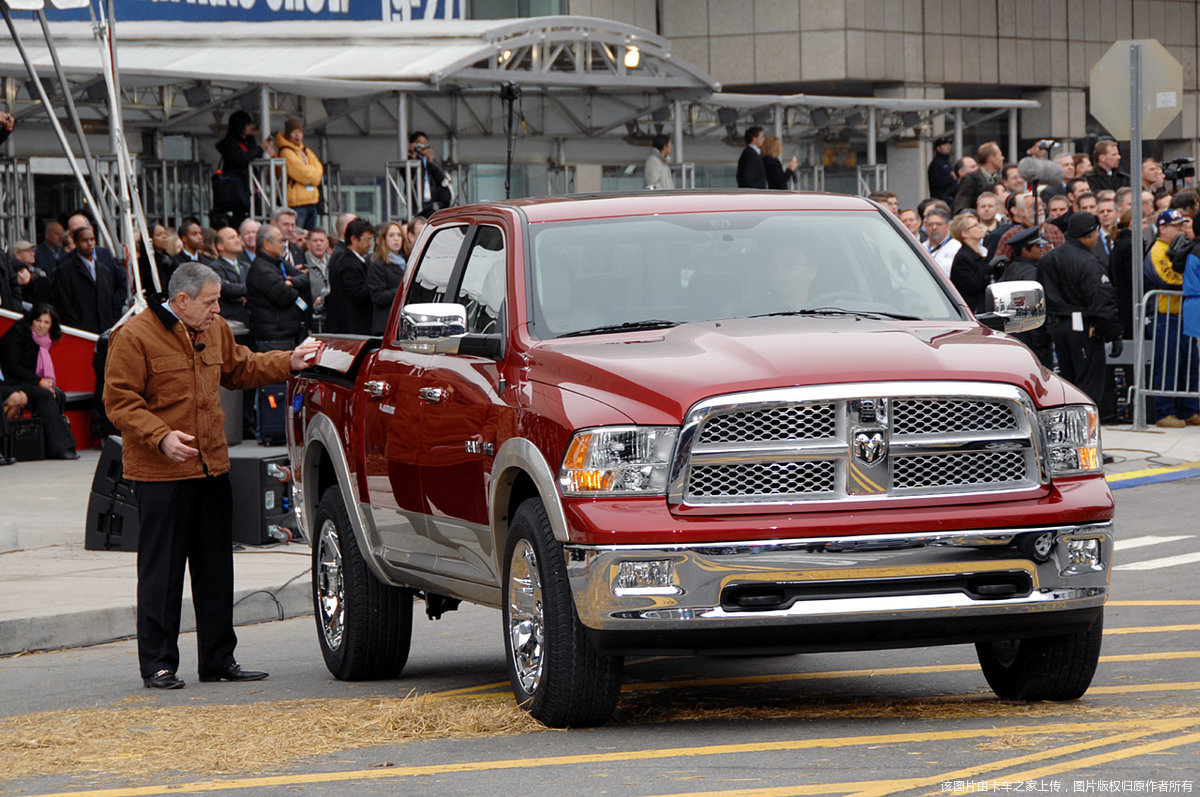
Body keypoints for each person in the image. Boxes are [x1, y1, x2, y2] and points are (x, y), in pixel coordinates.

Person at [104, 262, 320, 690]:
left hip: (211, 468)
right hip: (161, 473)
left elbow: (241, 369)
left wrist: (289, 362)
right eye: (210, 301)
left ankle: (218, 659)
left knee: (216, 570)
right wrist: (161, 437)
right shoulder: (134, 336)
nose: (217, 309)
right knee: (161, 573)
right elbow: (119, 402)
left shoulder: (214, 330)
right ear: (181, 300)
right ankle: (159, 664)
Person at [1038, 212, 1122, 404]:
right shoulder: (1089, 262)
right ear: (1089, 234)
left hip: (1059, 326)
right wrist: (1114, 333)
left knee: (1068, 383)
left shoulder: (1049, 259)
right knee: (1088, 386)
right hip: (1083, 327)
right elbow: (1101, 301)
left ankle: (1070, 430)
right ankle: (1086, 431)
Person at [0, 303, 79, 459]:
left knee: (46, 396)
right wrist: (39, 382)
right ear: (32, 320)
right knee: (37, 392)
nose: (42, 326)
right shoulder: (17, 333)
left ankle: (59, 448)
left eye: (46, 322)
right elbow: (12, 366)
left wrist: (43, 383)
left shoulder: (45, 342)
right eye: (39, 321)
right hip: (9, 381)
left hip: (24, 382)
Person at [1143, 208, 1199, 427]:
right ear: (1162, 228)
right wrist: (1190, 281)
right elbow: (1165, 278)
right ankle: (1164, 411)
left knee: (1189, 365)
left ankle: (1187, 409)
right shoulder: (1158, 250)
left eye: (1182, 225)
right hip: (1165, 317)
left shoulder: (1182, 248)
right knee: (1167, 366)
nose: (1180, 230)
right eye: (1176, 226)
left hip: (1183, 315)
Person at [245, 224, 311, 351]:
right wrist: (293, 286)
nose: (284, 245)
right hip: (272, 338)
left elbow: (304, 278)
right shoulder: (261, 269)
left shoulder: (278, 262)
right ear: (266, 244)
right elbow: (285, 295)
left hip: (287, 334)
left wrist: (290, 281)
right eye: (280, 241)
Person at [998, 227, 1054, 368]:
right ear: (1025, 250)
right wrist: (1041, 343)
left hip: (1013, 336)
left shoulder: (1011, 269)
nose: (1042, 249)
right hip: (1030, 340)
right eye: (1037, 246)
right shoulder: (1031, 273)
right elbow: (1032, 313)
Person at [51, 226, 116, 334]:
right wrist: (77, 329)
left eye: (92, 239)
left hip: (104, 331)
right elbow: (63, 305)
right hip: (80, 332)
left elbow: (110, 302)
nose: (90, 243)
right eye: (85, 240)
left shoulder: (104, 270)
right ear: (76, 243)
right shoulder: (65, 271)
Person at [212, 110, 264, 229]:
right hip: (237, 190)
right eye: (248, 124)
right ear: (240, 125)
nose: (252, 127)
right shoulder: (229, 144)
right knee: (239, 218)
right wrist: (260, 148)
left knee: (256, 212)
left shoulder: (249, 141)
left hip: (250, 188)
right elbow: (242, 158)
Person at [324, 218, 375, 335]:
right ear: (353, 239)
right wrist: (376, 285)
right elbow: (357, 295)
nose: (370, 244)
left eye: (371, 240)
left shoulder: (359, 260)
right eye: (367, 240)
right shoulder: (347, 262)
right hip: (350, 328)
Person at [275, 118, 324, 230]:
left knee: (310, 237)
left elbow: (319, 170)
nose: (297, 136)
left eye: (299, 132)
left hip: (311, 202)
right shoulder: (286, 152)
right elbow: (300, 173)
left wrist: (311, 174)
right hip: (296, 205)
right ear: (288, 135)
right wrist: (313, 175)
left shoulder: (305, 151)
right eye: (294, 132)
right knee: (296, 236)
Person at [948, 212, 996, 313]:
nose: (980, 227)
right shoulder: (963, 258)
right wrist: (989, 267)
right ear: (964, 233)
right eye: (975, 225)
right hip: (973, 310)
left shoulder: (981, 251)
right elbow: (971, 286)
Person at [365, 221, 406, 336]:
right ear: (384, 239)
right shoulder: (378, 264)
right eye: (391, 235)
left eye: (399, 235)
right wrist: (401, 290)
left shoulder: (406, 261)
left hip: (403, 324)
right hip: (386, 325)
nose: (396, 239)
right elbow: (378, 296)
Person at [210, 227, 249, 325]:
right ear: (220, 246)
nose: (237, 240)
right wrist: (250, 288)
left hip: (248, 318)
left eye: (237, 237)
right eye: (232, 238)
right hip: (229, 320)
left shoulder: (246, 266)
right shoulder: (215, 267)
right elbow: (227, 289)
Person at [408, 131, 452, 218]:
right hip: (418, 203)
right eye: (420, 144)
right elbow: (408, 175)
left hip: (433, 202)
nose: (423, 147)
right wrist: (413, 156)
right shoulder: (410, 161)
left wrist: (431, 162)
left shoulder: (431, 161)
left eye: (425, 144)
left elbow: (441, 179)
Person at [954, 142, 1005, 214]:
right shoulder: (970, 179)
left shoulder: (999, 179)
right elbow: (961, 208)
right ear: (991, 158)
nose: (1002, 158)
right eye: (1000, 155)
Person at [137, 223, 175, 298]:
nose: (164, 237)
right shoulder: (143, 263)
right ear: (150, 239)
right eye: (159, 234)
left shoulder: (170, 259)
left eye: (165, 233)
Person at [922, 206, 959, 276]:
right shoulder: (920, 247)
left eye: (939, 224)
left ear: (947, 225)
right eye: (930, 224)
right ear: (925, 226)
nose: (934, 228)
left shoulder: (957, 247)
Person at [927, 134, 956, 204]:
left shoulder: (947, 162)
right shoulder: (936, 164)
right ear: (938, 148)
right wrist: (951, 178)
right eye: (945, 144)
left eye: (949, 144)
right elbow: (936, 182)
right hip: (941, 199)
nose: (948, 146)